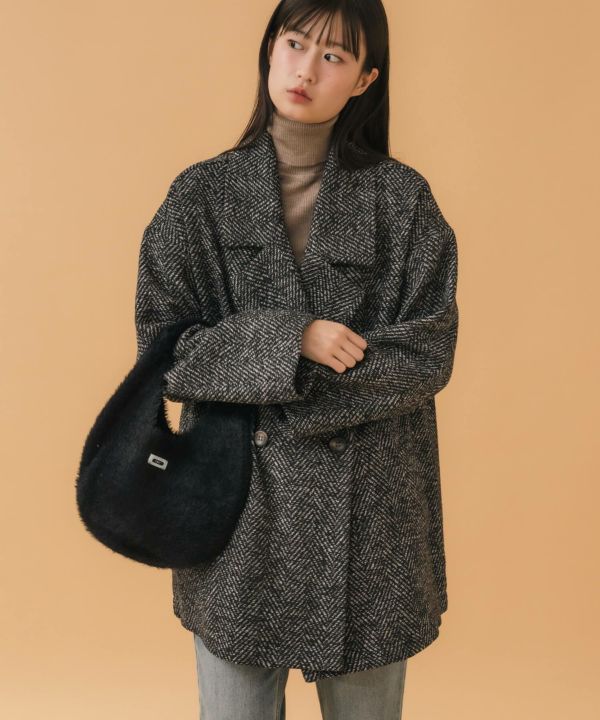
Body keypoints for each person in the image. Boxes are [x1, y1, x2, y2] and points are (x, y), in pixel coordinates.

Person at [134, 1, 459, 718]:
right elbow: (165, 353)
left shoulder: (402, 201)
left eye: (334, 55)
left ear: (366, 79)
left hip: (371, 520)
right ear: (269, 48)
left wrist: (269, 390)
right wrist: (291, 339)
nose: (306, 69)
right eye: (294, 43)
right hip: (237, 514)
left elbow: (426, 354)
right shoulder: (201, 197)